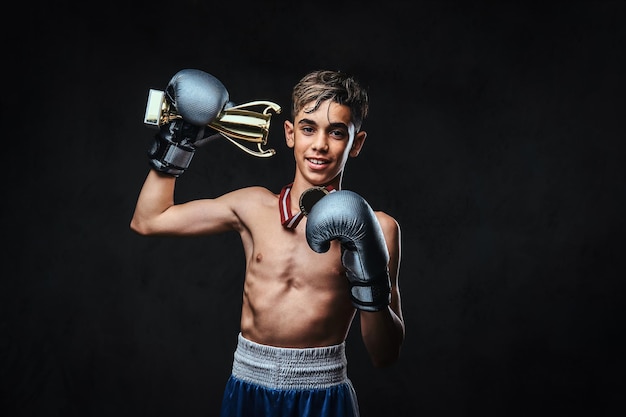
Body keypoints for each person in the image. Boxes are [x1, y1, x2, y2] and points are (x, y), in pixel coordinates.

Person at [130, 68, 405, 417]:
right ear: (290, 133)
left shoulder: (379, 227)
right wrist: (177, 143)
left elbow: (385, 355)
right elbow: (149, 220)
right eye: (308, 128)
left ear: (357, 143)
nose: (320, 144)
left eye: (337, 132)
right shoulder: (253, 206)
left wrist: (370, 278)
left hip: (321, 393)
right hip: (248, 384)